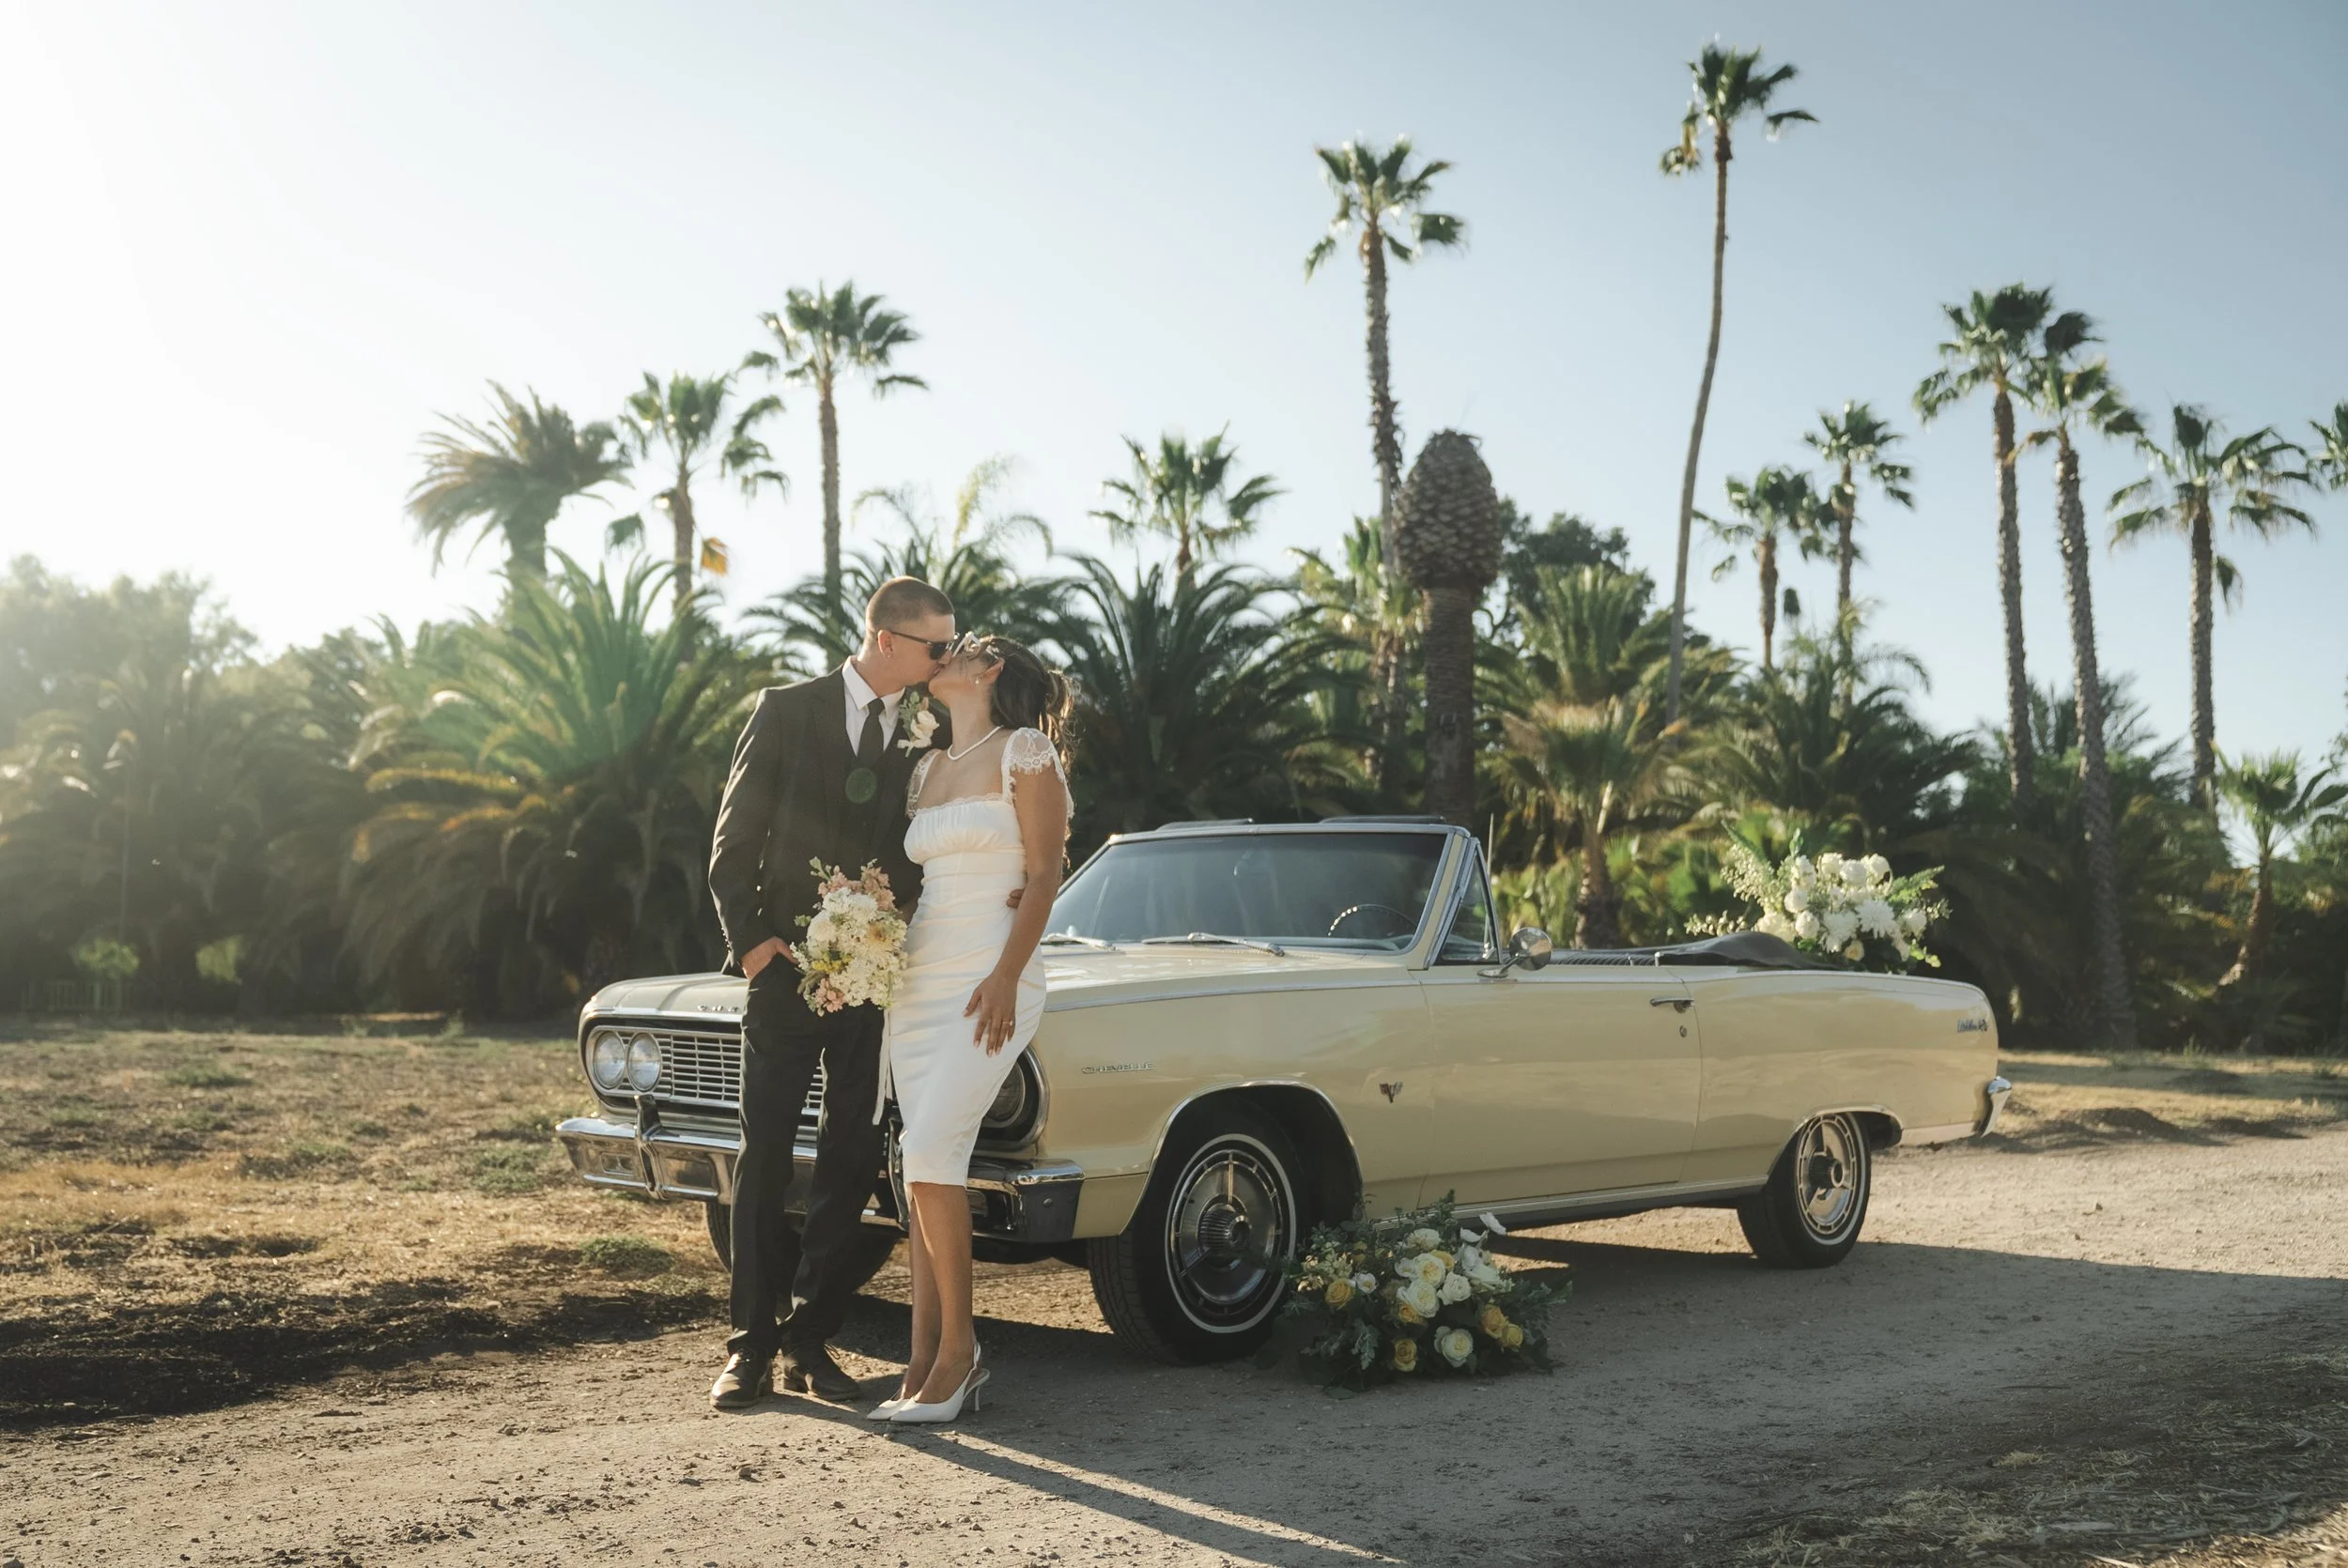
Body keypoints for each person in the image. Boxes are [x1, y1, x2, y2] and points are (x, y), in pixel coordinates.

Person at [703, 576, 955, 1409]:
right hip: (784, 975)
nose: (944, 660)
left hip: (872, 980)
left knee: (851, 1156)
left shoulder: (926, 732)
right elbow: (733, 841)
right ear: (889, 641)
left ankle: (813, 1342)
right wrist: (753, 947)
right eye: (936, 647)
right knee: (766, 1156)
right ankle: (749, 1346)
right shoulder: (785, 709)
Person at [868, 635, 1072, 1424]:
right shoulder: (925, 766)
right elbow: (922, 880)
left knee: (928, 1154)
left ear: (988, 671)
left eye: (960, 648)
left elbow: (1047, 871)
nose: (942, 656)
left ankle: (962, 1354)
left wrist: (1006, 976)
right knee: (925, 1169)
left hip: (993, 974)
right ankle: (922, 1361)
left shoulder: (1026, 751)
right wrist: (872, 938)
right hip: (920, 981)